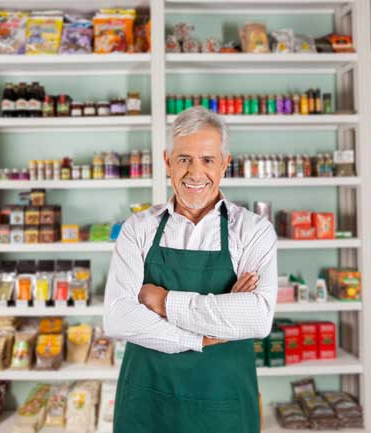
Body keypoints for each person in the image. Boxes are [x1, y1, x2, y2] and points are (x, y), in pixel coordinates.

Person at [104, 106, 278, 433]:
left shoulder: (254, 231)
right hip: (147, 404)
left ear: (226, 163)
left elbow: (257, 317)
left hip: (223, 406)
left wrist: (163, 301)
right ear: (168, 161)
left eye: (208, 160)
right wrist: (205, 336)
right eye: (184, 159)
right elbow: (117, 316)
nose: (195, 173)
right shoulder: (138, 228)